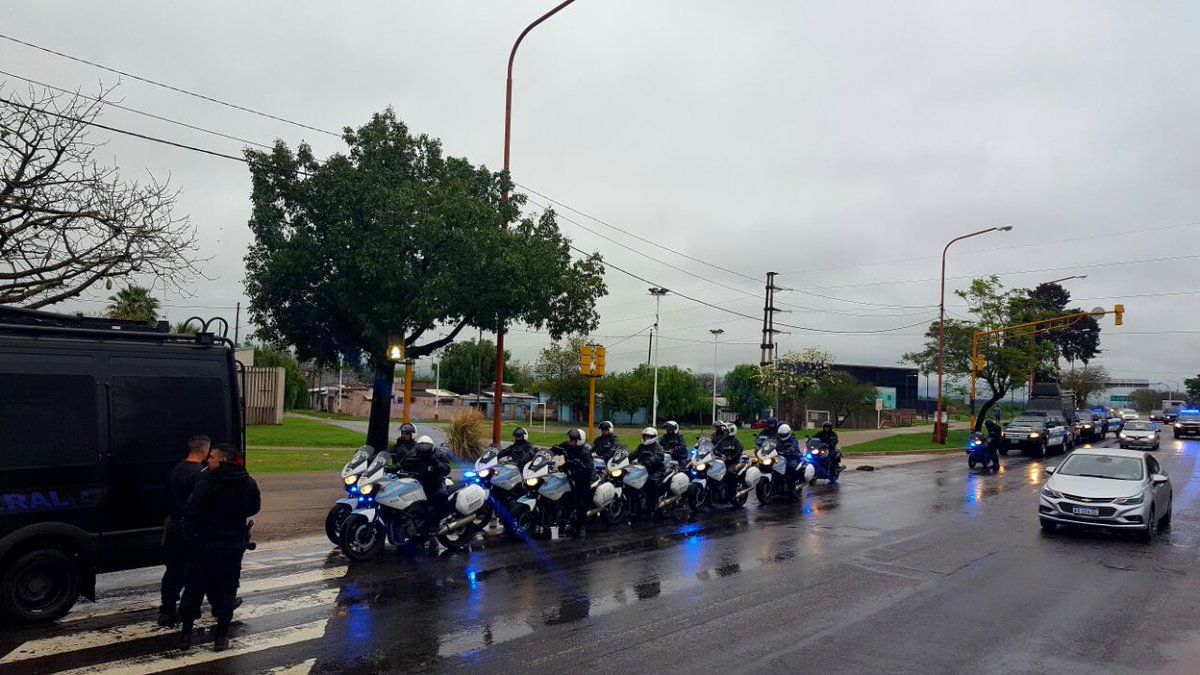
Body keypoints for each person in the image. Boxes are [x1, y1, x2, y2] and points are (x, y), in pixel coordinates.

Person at [178, 444, 261, 651]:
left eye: (213, 457)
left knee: (194, 589)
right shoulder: (247, 482)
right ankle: (221, 637)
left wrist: (191, 534)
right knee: (227, 589)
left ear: (223, 460)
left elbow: (192, 511)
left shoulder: (206, 482)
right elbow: (254, 507)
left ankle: (186, 635)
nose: (209, 460)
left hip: (205, 545)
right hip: (232, 546)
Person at [157, 434, 210, 627]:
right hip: (191, 528)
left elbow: (166, 496)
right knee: (194, 571)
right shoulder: (201, 474)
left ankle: (167, 610)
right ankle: (189, 610)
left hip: (173, 525)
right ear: (204, 450)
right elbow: (201, 503)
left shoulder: (175, 470)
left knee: (173, 571)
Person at [398, 435, 453, 535]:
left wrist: (435, 461)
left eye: (427, 451)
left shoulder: (439, 454)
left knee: (440, 497)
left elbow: (446, 470)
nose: (424, 453)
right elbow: (402, 464)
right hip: (419, 483)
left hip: (436, 483)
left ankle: (438, 523)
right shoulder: (412, 453)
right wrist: (393, 468)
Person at [554, 429, 595, 535]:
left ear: (579, 441)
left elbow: (589, 467)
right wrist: (550, 450)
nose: (570, 441)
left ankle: (582, 525)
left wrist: (580, 464)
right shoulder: (567, 445)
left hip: (581, 478)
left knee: (581, 500)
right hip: (568, 474)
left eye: (573, 440)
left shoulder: (584, 452)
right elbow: (556, 449)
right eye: (570, 439)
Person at [630, 427, 667, 513]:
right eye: (645, 436)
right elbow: (634, 453)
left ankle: (654, 503)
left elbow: (657, 456)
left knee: (651, 481)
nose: (647, 438)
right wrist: (625, 459)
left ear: (654, 437)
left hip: (656, 470)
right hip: (643, 469)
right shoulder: (641, 446)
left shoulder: (657, 447)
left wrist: (649, 461)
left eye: (649, 436)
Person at [713, 422, 745, 504]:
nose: (724, 432)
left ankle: (732, 493)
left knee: (729, 472)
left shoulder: (737, 442)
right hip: (721, 462)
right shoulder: (722, 441)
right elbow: (715, 449)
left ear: (732, 431)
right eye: (725, 431)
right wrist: (719, 454)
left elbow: (738, 453)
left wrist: (729, 458)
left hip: (733, 463)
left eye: (726, 431)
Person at [775, 424, 803, 498]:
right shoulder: (777, 438)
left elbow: (793, 446)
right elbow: (772, 444)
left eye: (784, 434)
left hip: (793, 456)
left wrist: (789, 450)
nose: (782, 436)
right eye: (781, 434)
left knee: (790, 468)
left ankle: (792, 488)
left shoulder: (792, 438)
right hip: (780, 457)